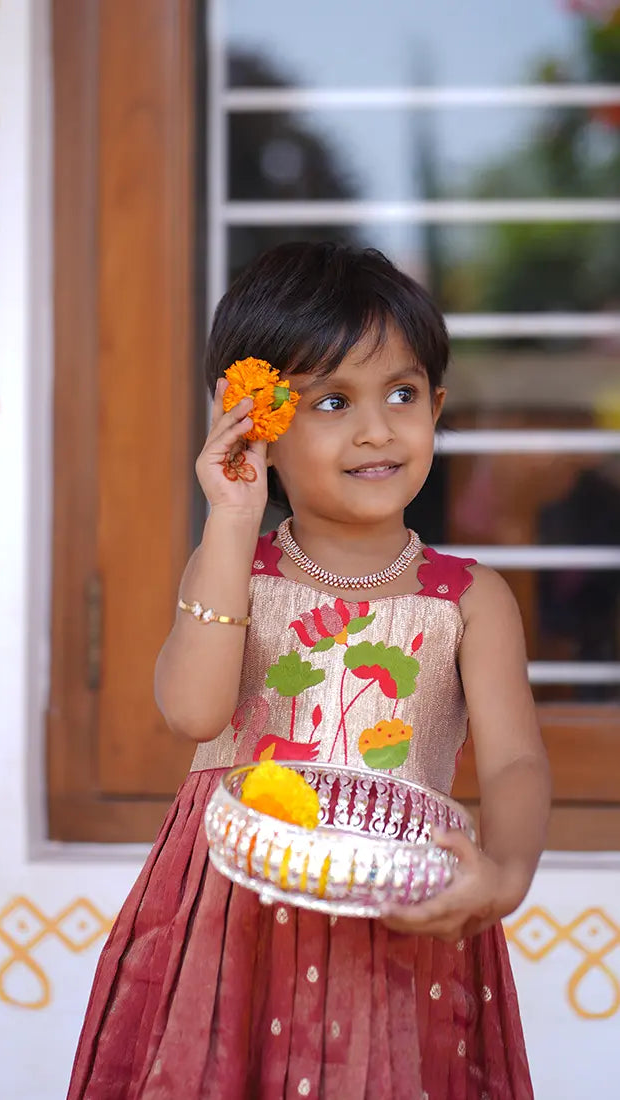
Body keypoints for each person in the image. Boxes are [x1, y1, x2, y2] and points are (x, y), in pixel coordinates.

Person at [66, 242, 550, 1100]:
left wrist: (503, 878)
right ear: (265, 425)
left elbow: (515, 760)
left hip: (400, 916)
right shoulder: (233, 571)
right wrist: (230, 517)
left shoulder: (470, 598)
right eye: (332, 400)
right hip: (229, 918)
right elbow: (192, 711)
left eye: (401, 394)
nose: (377, 429)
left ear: (436, 407)